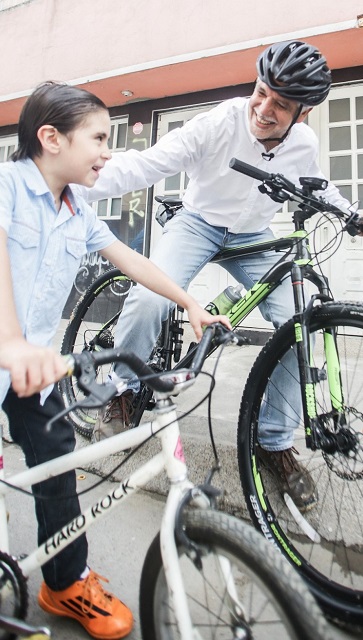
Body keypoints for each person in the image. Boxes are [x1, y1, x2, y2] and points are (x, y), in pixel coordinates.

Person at [80, 40, 354, 513]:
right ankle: (123, 393)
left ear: (302, 114)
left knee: (300, 327)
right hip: (198, 223)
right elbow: (147, 164)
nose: (263, 109)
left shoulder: (304, 143)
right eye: (261, 92)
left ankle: (272, 441)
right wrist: (74, 177)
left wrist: (351, 213)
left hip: (253, 235)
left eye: (280, 105)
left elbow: (317, 183)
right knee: (150, 300)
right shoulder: (218, 123)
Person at [0, 82, 229, 640]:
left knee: (57, 466)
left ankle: (67, 581)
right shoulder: (6, 187)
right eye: (100, 138)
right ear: (50, 138)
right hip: (14, 352)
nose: (109, 151)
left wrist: (189, 302)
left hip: (36, 367)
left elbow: (131, 260)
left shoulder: (79, 209)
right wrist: (10, 341)